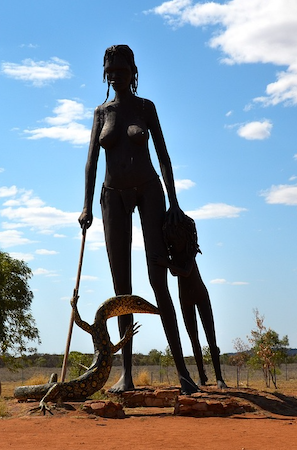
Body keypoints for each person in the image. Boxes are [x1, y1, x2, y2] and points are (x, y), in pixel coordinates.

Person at [78, 44, 198, 394]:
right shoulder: (101, 112)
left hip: (149, 191)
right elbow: (91, 164)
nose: (115, 74)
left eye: (121, 68)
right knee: (122, 289)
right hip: (112, 195)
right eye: (109, 69)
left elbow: (163, 155)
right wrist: (86, 206)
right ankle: (126, 375)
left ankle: (183, 373)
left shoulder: (146, 108)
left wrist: (174, 201)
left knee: (158, 279)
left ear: (133, 71)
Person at [155, 216, 227, 389]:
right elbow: (174, 274)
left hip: (201, 296)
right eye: (174, 239)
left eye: (180, 238)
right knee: (194, 339)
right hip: (185, 299)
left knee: (211, 338)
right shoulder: (175, 257)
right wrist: (168, 263)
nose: (177, 242)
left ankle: (219, 378)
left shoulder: (190, 254)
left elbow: (186, 272)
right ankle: (202, 376)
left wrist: (166, 263)